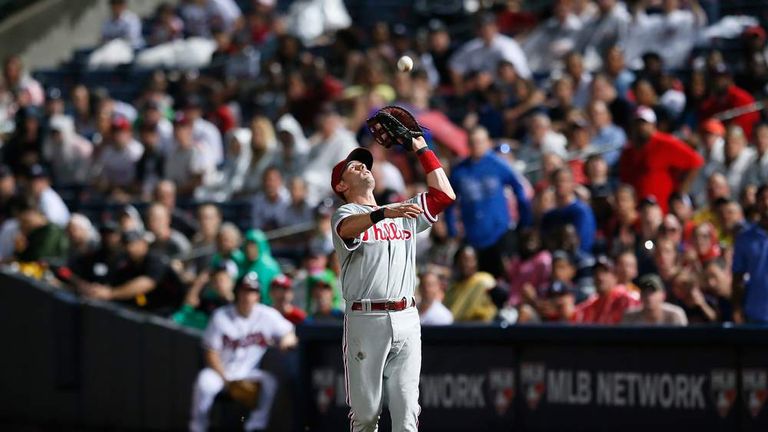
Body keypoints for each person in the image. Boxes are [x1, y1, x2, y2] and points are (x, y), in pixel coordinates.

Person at [330, 131, 455, 430]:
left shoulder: (402, 213)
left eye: (365, 164)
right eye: (354, 167)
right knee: (366, 415)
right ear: (342, 185)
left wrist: (422, 148)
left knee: (407, 413)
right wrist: (384, 212)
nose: (363, 167)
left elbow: (444, 195)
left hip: (407, 316)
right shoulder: (345, 212)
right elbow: (347, 229)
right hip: (366, 317)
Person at [189, 272, 297, 432]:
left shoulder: (266, 315)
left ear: (258, 295)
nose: (248, 296)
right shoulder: (221, 316)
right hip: (220, 372)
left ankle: (255, 426)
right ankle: (198, 427)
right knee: (204, 383)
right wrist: (227, 381)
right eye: (244, 291)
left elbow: (289, 332)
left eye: (252, 292)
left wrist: (287, 340)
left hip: (247, 373)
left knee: (269, 383)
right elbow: (211, 353)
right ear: (237, 293)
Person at [446, 126, 531, 277]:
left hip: (500, 232)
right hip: (473, 235)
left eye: (479, 142)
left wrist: (524, 220)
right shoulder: (460, 170)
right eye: (472, 142)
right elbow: (448, 200)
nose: (476, 146)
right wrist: (452, 229)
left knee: (505, 275)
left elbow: (519, 188)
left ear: (487, 143)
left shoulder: (498, 164)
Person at [618, 106, 704, 213]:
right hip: (638, 211)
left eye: (644, 123)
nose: (640, 127)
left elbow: (696, 161)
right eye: (637, 123)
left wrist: (681, 190)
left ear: (653, 125)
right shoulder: (627, 151)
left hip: (663, 208)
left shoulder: (665, 143)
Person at [81, 230, 184, 315]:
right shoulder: (127, 262)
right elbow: (115, 281)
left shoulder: (155, 259)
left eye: (133, 243)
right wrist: (98, 290)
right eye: (126, 244)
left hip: (173, 310)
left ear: (143, 244)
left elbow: (146, 283)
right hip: (148, 309)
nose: (129, 248)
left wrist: (111, 293)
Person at [732, 184, 768, 324]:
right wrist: (736, 308)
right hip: (755, 313)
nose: (766, 203)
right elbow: (738, 277)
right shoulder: (745, 238)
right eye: (762, 199)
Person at [541, 167, 597, 254]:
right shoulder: (549, 216)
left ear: (572, 183)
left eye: (564, 181)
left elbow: (585, 243)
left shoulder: (581, 211)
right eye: (557, 181)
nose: (560, 184)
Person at [577, 256, 639, 324]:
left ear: (615, 276)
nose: (600, 277)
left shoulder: (624, 298)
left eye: (605, 272)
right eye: (596, 273)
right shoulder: (592, 302)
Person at [444, 245, 498, 323]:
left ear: (476, 261)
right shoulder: (452, 288)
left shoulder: (483, 279)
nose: (464, 264)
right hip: (456, 329)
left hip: (479, 327)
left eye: (468, 260)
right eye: (461, 260)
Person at [622, 274, 688, 326]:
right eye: (645, 292)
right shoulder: (630, 317)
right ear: (640, 296)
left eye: (652, 292)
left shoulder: (675, 315)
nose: (648, 296)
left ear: (663, 295)